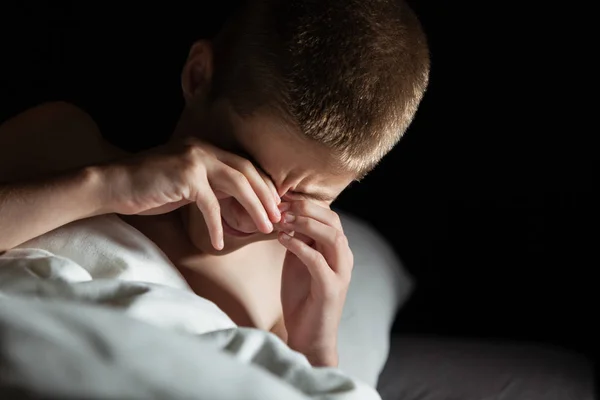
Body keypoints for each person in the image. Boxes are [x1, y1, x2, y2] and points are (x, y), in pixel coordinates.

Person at [0, 0, 429, 376]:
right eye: (244, 161)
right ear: (198, 76)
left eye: (304, 197)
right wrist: (105, 187)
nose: (251, 213)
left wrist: (315, 350)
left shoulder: (280, 286)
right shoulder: (60, 141)